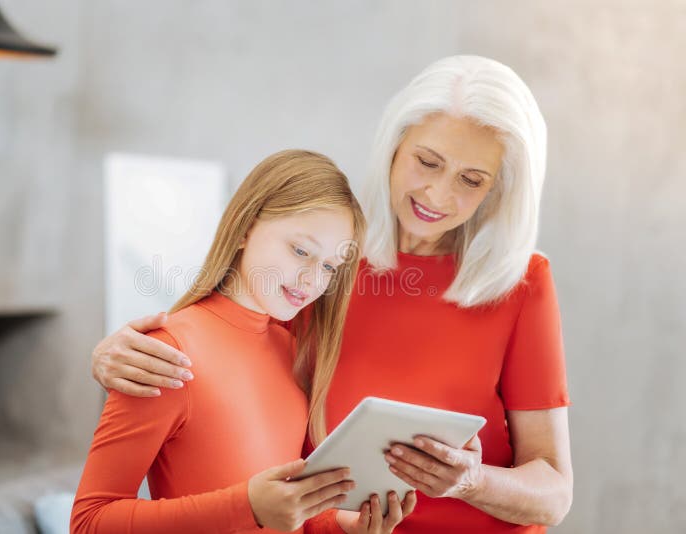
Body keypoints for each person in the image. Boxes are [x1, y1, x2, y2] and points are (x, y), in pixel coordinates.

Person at [90, 55, 573, 533]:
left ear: (498, 188)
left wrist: (471, 482)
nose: (439, 196)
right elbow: (229, 351)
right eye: (427, 162)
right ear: (394, 145)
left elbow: (553, 493)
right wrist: (110, 355)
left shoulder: (521, 282)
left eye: (472, 180)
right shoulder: (327, 262)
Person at [71, 149, 416, 534]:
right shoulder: (166, 352)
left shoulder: (290, 351)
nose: (312, 281)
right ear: (246, 228)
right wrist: (246, 506)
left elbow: (285, 513)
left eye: (329, 267)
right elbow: (89, 523)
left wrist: (343, 525)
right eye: (300, 251)